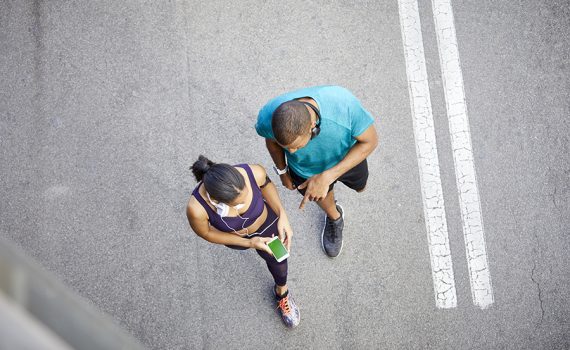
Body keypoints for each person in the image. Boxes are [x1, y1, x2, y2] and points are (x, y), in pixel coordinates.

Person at [255, 85, 378, 258]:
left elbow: (370, 141)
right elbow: (271, 142)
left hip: (346, 159)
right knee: (320, 197)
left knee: (360, 187)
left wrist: (327, 177)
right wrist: (283, 172)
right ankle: (335, 217)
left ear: (312, 127)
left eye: (296, 145)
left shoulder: (344, 105)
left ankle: (338, 187)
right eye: (287, 148)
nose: (292, 153)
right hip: (305, 171)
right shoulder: (268, 117)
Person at [186, 156, 300, 328]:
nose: (246, 201)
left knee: (279, 259)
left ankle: (282, 292)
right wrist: (249, 243)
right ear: (220, 203)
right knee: (270, 254)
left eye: (248, 194)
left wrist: (282, 215)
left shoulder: (253, 172)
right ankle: (252, 247)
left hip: (268, 226)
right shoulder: (196, 209)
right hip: (237, 239)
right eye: (240, 204)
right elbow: (206, 233)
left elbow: (266, 184)